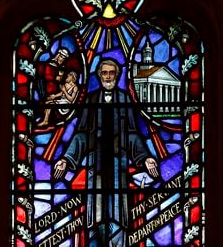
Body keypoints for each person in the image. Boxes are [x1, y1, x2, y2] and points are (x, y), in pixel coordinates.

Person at [53, 59, 159, 246]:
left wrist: (145, 158)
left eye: (112, 73)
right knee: (96, 215)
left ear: (117, 76)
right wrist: (66, 159)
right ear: (99, 75)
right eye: (104, 73)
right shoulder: (91, 100)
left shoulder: (125, 99)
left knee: (119, 214)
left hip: (120, 165)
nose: (108, 77)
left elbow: (133, 134)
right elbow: (81, 134)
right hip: (97, 164)